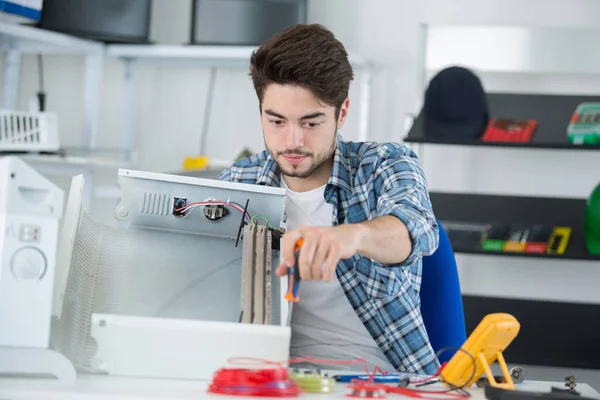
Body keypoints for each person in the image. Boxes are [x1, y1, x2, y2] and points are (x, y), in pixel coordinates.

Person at [219, 23, 440, 375]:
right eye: (276, 121)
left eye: (311, 123)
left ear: (342, 112)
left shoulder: (384, 164)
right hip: (268, 379)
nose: (292, 141)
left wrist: (351, 236)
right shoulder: (237, 182)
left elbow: (418, 232)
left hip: (380, 380)